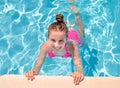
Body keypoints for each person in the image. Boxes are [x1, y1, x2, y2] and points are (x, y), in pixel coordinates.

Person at [25, 5, 84, 85]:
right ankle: (68, 26)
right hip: (65, 36)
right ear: (47, 38)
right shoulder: (45, 47)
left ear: (66, 39)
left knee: (81, 33)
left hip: (75, 37)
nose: (56, 45)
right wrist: (33, 72)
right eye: (53, 40)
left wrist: (79, 73)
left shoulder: (72, 46)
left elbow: (77, 61)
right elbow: (38, 64)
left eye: (60, 41)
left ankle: (77, 15)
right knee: (66, 31)